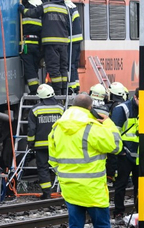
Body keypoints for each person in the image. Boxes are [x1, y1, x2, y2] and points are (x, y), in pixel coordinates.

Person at [48, 93, 124, 228]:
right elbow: (116, 146)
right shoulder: (92, 128)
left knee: (75, 225)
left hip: (70, 188)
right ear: (90, 108)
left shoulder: (57, 128)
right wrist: (109, 124)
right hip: (93, 189)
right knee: (101, 225)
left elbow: (53, 160)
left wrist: (65, 175)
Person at [22, 0, 71, 95]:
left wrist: (22, 9)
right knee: (63, 67)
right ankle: (64, 91)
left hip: (51, 43)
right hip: (63, 43)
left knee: (53, 68)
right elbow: (67, 25)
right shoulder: (65, 9)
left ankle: (57, 92)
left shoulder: (46, 6)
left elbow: (31, 13)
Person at [27, 84, 65, 199]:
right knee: (62, 167)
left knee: (43, 168)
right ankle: (65, 191)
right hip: (58, 144)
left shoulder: (35, 110)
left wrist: (30, 143)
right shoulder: (61, 108)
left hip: (41, 146)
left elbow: (31, 129)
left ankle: (47, 193)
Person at [111, 88, 141, 220]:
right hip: (125, 154)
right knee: (121, 184)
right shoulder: (122, 109)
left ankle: (140, 212)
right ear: (136, 98)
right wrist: (120, 151)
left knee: (140, 184)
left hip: (140, 153)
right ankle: (118, 212)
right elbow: (114, 132)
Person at [18, 0, 43, 94]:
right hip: (36, 45)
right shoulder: (40, 16)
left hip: (26, 45)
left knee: (29, 68)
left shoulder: (25, 13)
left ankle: (34, 89)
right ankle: (37, 88)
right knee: (34, 67)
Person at [62, 0, 82, 94]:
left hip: (71, 41)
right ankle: (75, 86)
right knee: (74, 64)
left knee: (69, 64)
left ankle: (71, 87)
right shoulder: (73, 7)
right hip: (77, 41)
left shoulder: (67, 9)